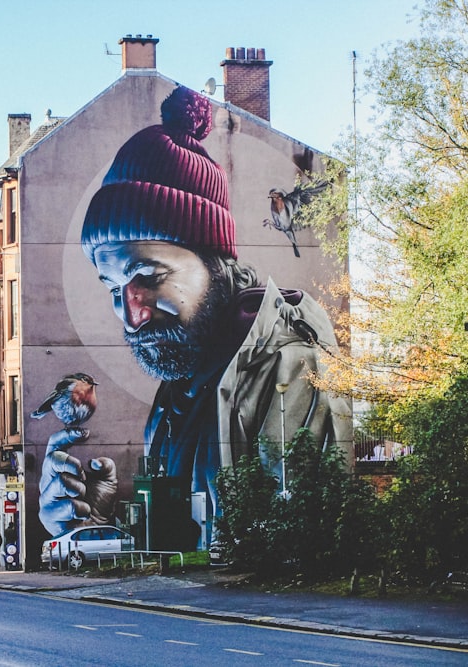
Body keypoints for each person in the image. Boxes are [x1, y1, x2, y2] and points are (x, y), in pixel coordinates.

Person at [39, 85, 351, 539]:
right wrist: (95, 527)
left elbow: (291, 562)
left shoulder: (292, 372)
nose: (132, 314)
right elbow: (188, 557)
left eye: (147, 274)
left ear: (214, 262)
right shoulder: (184, 387)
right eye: (113, 288)